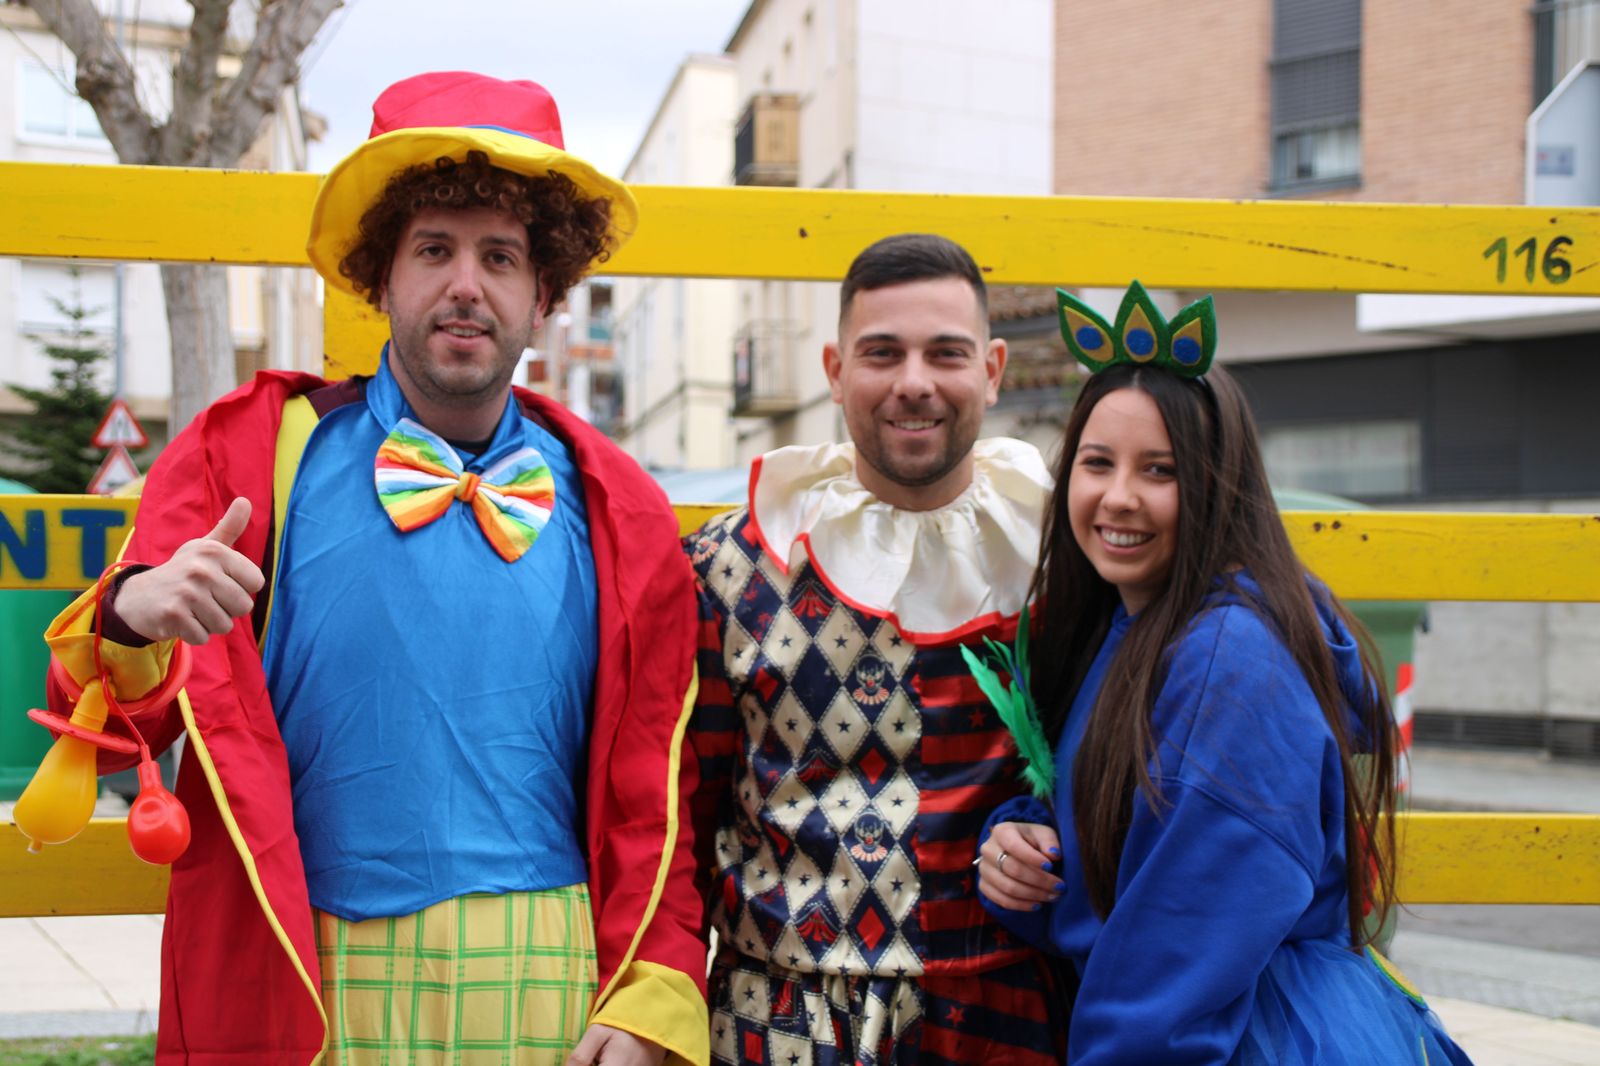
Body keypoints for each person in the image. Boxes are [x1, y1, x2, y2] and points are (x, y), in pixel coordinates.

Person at [39, 72, 707, 1065]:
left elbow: (659, 793)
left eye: (500, 256)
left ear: (544, 295)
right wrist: (133, 613)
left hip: (553, 984)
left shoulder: (622, 509)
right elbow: (105, 727)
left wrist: (656, 986)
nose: (466, 284)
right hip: (300, 975)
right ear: (381, 278)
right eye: (433, 250)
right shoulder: (246, 456)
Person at [973, 282, 1472, 1064]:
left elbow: (1174, 964)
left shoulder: (1227, 664)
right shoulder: (1128, 625)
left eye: (1161, 470)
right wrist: (1022, 841)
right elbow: (1129, 844)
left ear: (1219, 485)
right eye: (1097, 463)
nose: (1119, 497)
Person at [686, 234, 1068, 1064]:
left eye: (947, 354)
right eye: (882, 353)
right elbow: (677, 817)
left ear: (993, 370)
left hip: (1005, 1017)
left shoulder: (1064, 562)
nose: (914, 382)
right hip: (780, 1024)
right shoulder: (725, 565)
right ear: (835, 370)